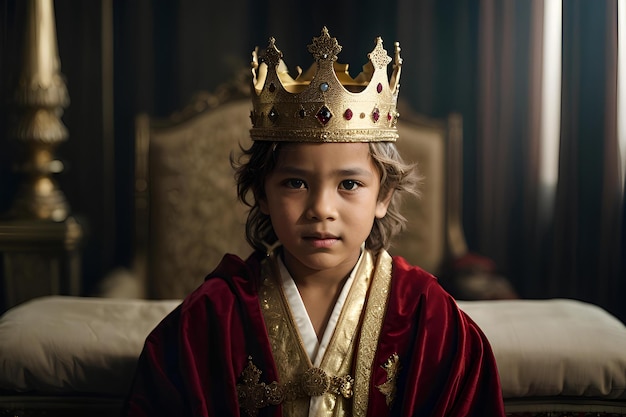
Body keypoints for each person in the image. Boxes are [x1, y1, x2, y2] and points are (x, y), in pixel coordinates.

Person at [123, 27, 505, 417]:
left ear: (384, 196)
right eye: (295, 183)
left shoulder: (430, 318)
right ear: (262, 194)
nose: (321, 208)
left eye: (350, 184)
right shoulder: (210, 319)